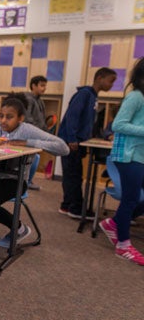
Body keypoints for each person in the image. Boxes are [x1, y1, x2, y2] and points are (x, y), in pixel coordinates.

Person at [0, 94, 69, 248]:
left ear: (20, 118)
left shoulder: (27, 130)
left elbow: (63, 147)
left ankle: (19, 228)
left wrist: (28, 142)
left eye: (9, 117)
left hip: (14, 180)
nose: (3, 120)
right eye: (1, 116)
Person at [99, 57, 144, 265]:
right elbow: (119, 124)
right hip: (128, 156)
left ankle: (114, 223)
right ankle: (123, 245)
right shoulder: (136, 96)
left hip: (139, 157)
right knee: (130, 199)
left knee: (134, 199)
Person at [58, 67, 117, 219]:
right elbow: (72, 116)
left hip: (78, 142)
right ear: (100, 78)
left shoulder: (92, 96)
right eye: (110, 81)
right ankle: (75, 207)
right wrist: (72, 138)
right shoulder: (84, 94)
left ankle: (67, 205)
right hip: (71, 142)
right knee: (73, 175)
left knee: (73, 174)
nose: (112, 85)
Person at [23, 75, 48, 191]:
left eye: (45, 86)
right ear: (33, 86)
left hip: (38, 134)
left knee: (33, 158)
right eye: (42, 85)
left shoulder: (40, 101)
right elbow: (27, 118)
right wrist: (35, 131)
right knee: (28, 159)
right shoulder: (29, 99)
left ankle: (28, 180)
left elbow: (41, 118)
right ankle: (25, 181)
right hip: (31, 134)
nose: (44, 88)